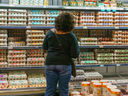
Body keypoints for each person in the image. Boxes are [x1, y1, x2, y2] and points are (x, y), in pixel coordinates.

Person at [43, 11, 80, 96]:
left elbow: (45, 47)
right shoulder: (71, 36)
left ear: (57, 21)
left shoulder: (50, 32)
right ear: (70, 24)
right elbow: (74, 54)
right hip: (64, 65)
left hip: (50, 63)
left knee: (49, 90)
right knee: (63, 90)